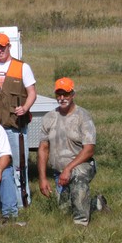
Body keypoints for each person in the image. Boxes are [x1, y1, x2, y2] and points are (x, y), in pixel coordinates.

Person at [0, 32, 37, 208]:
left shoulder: (22, 68)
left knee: (19, 166)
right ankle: (0, 203)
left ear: (9, 47)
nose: (0, 50)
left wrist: (25, 108)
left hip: (15, 128)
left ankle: (22, 203)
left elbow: (32, 93)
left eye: (2, 46)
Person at [38, 78, 97, 226]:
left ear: (73, 94)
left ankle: (81, 223)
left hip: (81, 166)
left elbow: (89, 150)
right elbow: (43, 149)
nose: (62, 98)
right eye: (59, 94)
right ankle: (96, 204)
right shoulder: (49, 117)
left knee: (77, 177)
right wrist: (42, 178)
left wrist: (68, 169)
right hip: (59, 172)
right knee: (64, 211)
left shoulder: (83, 117)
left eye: (66, 94)